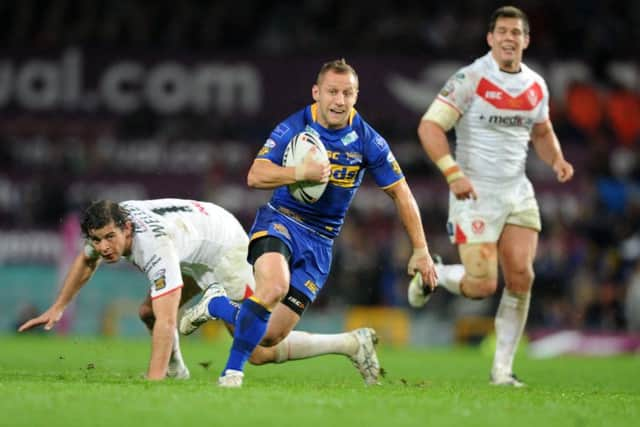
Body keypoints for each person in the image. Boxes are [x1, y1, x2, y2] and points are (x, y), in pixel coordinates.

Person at [181, 59, 439, 387]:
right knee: (273, 287)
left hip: (321, 243)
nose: (339, 100)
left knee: (271, 335)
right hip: (281, 223)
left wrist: (421, 249)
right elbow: (255, 175)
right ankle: (232, 373)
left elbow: (402, 194)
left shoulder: (367, 140)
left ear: (356, 96)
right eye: (332, 92)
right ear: (317, 92)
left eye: (347, 93)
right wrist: (301, 173)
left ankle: (217, 302)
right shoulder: (295, 126)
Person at [18, 198, 388, 381]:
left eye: (110, 238)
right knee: (146, 311)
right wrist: (59, 307)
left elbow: (167, 323)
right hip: (194, 240)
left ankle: (350, 343)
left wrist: (151, 383)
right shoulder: (113, 220)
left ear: (127, 229)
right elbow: (85, 260)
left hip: (223, 248)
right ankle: (180, 370)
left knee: (259, 348)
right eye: (97, 240)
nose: (103, 247)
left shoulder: (154, 248)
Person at [409, 5, 574, 387]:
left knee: (522, 276)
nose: (509, 38)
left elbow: (542, 131)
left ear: (526, 40)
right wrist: (453, 173)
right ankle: (430, 276)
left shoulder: (536, 85)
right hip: (475, 193)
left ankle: (502, 371)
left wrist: (558, 160)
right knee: (483, 285)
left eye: (516, 32)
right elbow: (430, 126)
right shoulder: (470, 78)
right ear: (490, 38)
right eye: (502, 31)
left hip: (517, 191)